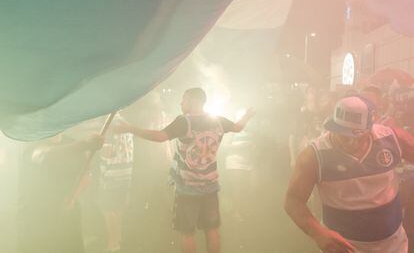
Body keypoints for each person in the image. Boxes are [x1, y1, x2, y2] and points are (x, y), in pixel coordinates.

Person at [115, 87, 254, 253]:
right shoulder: (217, 120)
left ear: (193, 101)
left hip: (187, 188)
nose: (181, 103)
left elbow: (160, 136)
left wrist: (132, 129)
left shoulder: (184, 121)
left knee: (187, 232)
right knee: (212, 229)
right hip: (210, 185)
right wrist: (247, 116)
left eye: (184, 99)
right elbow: (238, 127)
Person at [284, 95, 414, 253]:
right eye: (344, 135)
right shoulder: (314, 155)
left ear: (370, 127)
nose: (351, 142)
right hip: (344, 248)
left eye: (357, 135)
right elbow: (293, 200)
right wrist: (318, 233)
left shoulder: (392, 138)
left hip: (393, 246)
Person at [17, 133, 103, 253]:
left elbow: (86, 175)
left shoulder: (72, 141)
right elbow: (45, 155)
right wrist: (84, 144)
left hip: (67, 212)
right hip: (37, 217)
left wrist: (73, 197)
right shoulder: (32, 142)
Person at [98, 119, 134, 253]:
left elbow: (108, 152)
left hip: (111, 174)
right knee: (119, 208)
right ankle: (118, 241)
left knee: (107, 208)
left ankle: (112, 244)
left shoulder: (108, 124)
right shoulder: (125, 123)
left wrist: (93, 147)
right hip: (126, 172)